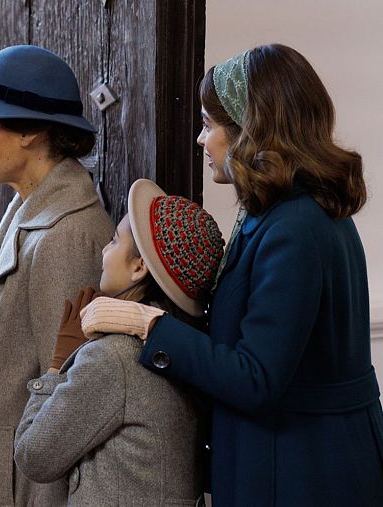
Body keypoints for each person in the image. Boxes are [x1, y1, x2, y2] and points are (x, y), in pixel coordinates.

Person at [80, 44, 383, 505]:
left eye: (208, 124)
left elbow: (256, 378)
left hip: (305, 472)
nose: (202, 140)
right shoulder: (282, 213)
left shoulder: (295, 227)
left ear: (251, 129)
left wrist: (148, 325)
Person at [0, 45, 115, 505]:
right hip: (3, 471)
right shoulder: (26, 206)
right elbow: (9, 350)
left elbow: (66, 398)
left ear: (31, 130)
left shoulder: (67, 234)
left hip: (28, 487)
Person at [14, 179, 223, 505]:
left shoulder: (114, 358)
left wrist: (56, 368)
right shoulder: (184, 346)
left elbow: (33, 455)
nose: (103, 250)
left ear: (139, 267)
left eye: (114, 241)